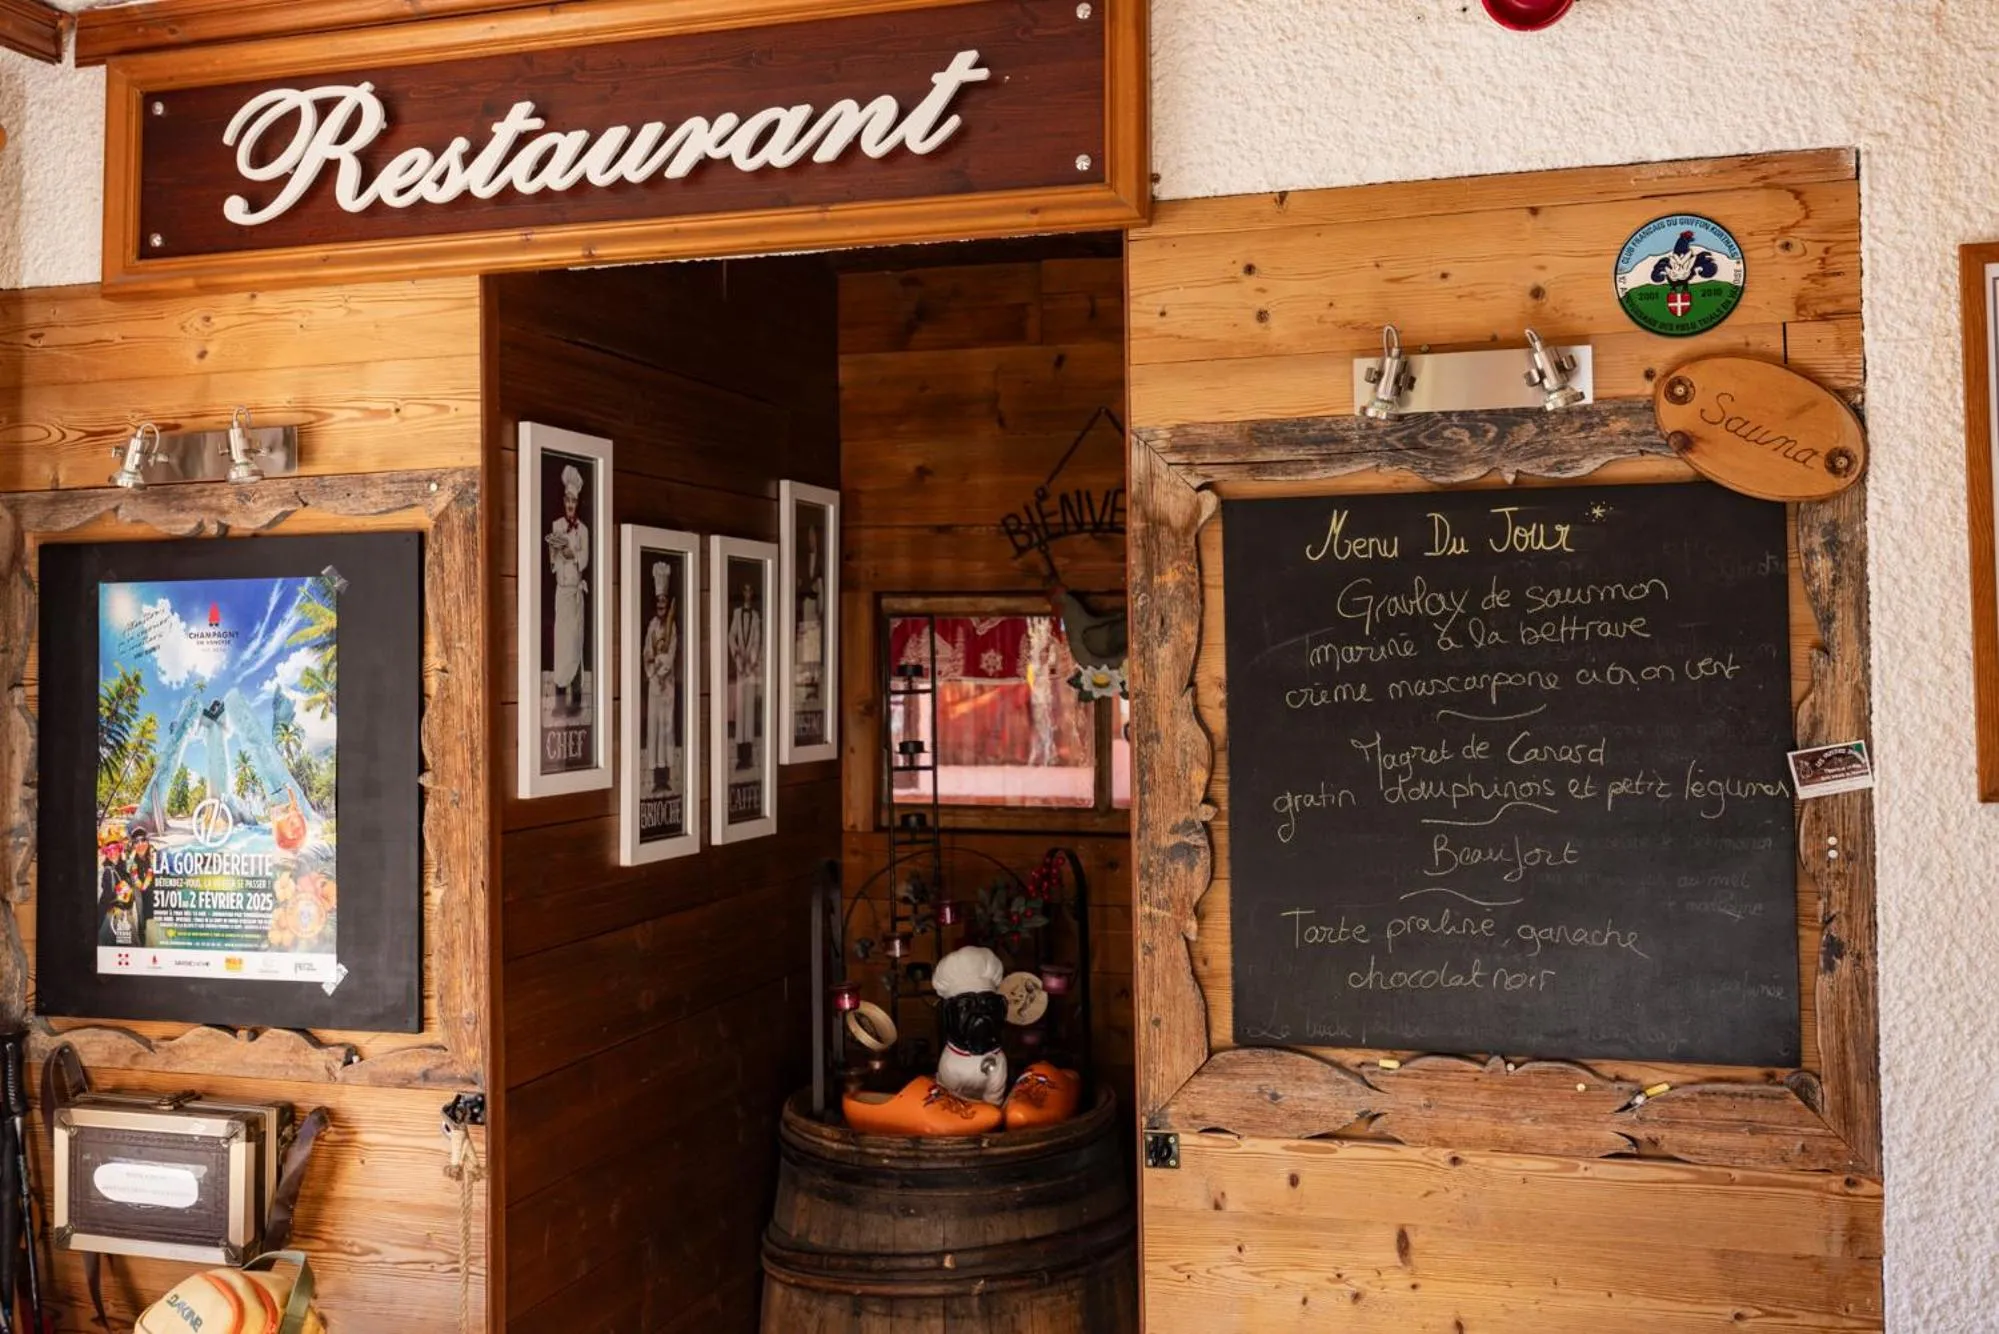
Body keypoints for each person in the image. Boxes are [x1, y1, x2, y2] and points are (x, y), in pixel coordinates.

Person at [547, 464, 589, 716]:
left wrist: (573, 554)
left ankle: (575, 701)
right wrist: (558, 551)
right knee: (561, 644)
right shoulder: (556, 525)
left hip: (575, 593)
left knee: (575, 644)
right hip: (561, 592)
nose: (570, 504)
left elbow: (584, 561)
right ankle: (559, 701)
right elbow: (552, 561)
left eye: (574, 500)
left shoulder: (583, 530)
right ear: (564, 501)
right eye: (567, 500)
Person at [641, 561, 679, 793]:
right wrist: (651, 672)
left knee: (666, 729)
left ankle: (666, 777)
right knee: (654, 729)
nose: (661, 605)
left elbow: (671, 653)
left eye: (664, 601)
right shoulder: (652, 626)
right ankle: (656, 779)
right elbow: (646, 652)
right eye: (658, 601)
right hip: (654, 684)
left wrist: (661, 669)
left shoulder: (671, 628)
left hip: (667, 684)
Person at [728, 574, 763, 772]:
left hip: (750, 671)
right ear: (742, 593)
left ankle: (748, 756)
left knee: (748, 712)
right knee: (740, 712)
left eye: (751, 590)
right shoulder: (737, 613)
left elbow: (757, 640)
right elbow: (731, 636)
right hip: (741, 669)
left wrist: (751, 660)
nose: (748, 594)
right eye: (745, 590)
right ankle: (740, 756)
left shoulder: (756, 616)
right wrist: (737, 657)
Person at [796, 521, 824, 708]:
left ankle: (814, 687)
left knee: (814, 650)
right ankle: (806, 687)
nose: (811, 539)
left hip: (816, 606)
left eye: (814, 535)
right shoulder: (801, 560)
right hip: (805, 604)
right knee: (805, 649)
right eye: (809, 536)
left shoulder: (822, 561)